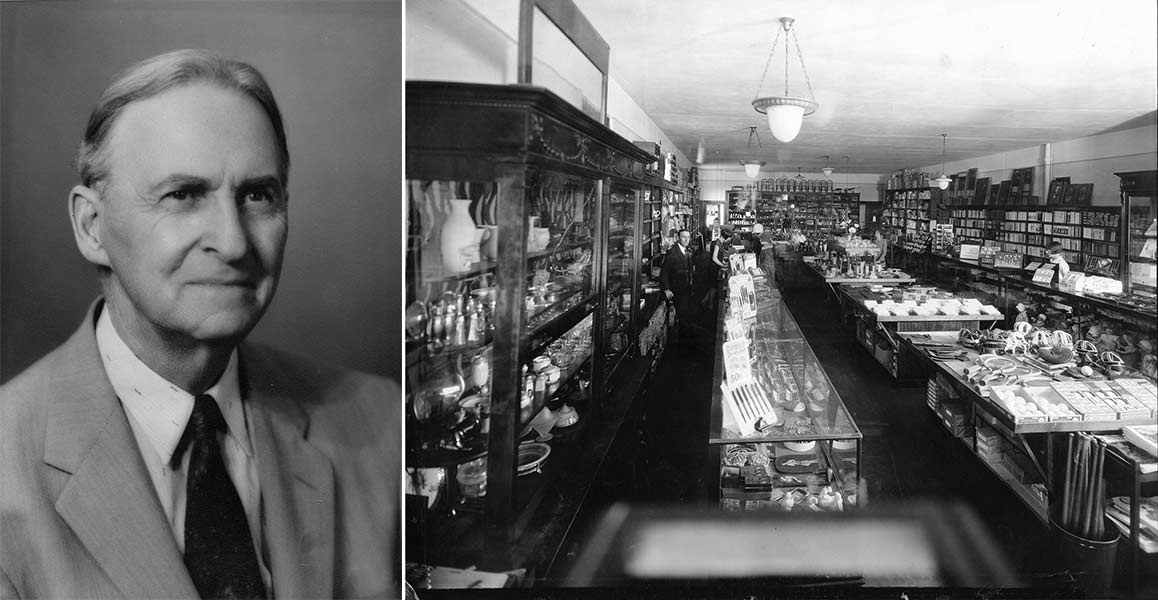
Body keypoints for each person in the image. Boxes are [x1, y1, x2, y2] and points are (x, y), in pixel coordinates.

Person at [0, 50, 398, 599]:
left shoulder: (380, 423)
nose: (233, 242)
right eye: (182, 196)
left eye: (258, 195)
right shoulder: (8, 464)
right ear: (92, 227)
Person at [660, 229, 697, 344]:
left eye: (688, 237)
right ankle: (684, 343)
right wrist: (666, 289)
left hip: (686, 288)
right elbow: (664, 272)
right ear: (678, 238)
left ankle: (685, 339)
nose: (686, 240)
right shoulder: (673, 252)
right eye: (683, 237)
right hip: (678, 289)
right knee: (683, 315)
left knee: (686, 314)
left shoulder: (686, 251)